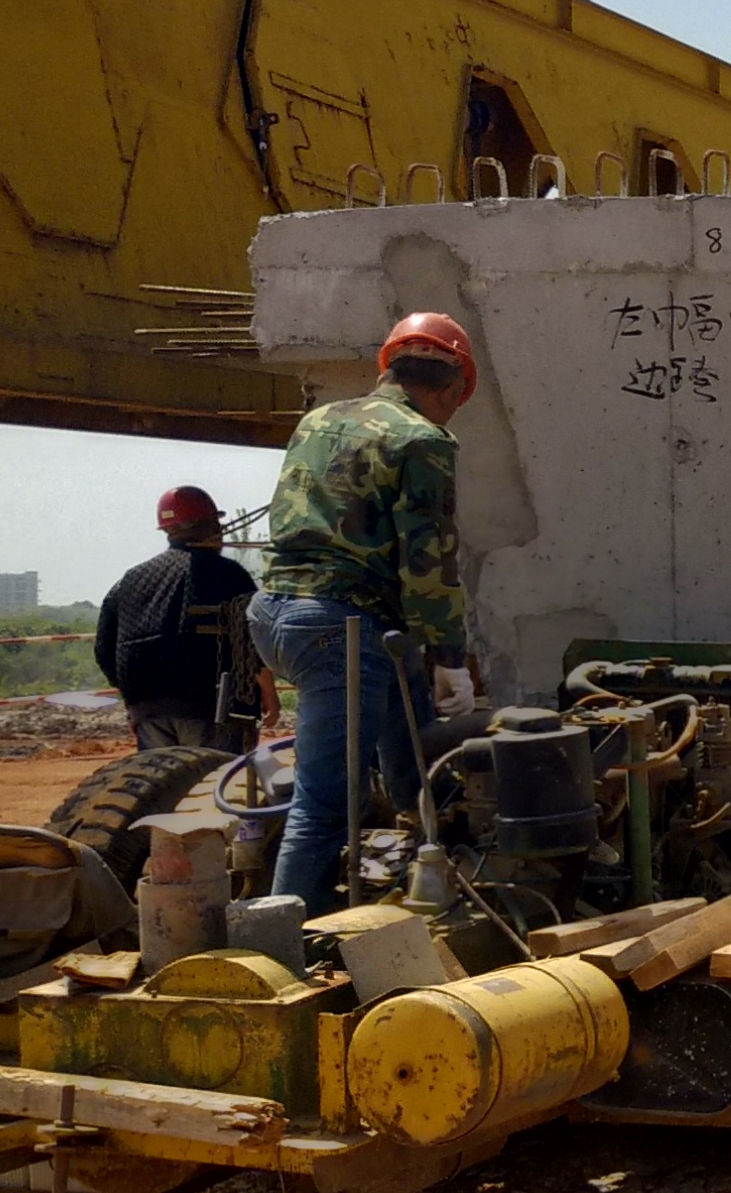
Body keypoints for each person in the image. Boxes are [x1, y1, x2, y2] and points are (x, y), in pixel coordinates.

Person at [251, 313, 478, 914]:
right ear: (453, 389)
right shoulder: (423, 439)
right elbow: (430, 563)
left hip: (276, 612)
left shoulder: (318, 419)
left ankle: (425, 838)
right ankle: (281, 953)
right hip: (339, 628)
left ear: (389, 366)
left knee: (413, 757)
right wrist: (452, 657)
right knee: (326, 805)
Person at [97, 485, 262, 751]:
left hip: (148, 714)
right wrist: (265, 691)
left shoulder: (129, 581)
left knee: (165, 785)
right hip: (213, 710)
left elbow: (104, 650)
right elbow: (256, 640)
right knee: (213, 785)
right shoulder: (227, 574)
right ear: (211, 525)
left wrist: (138, 703)